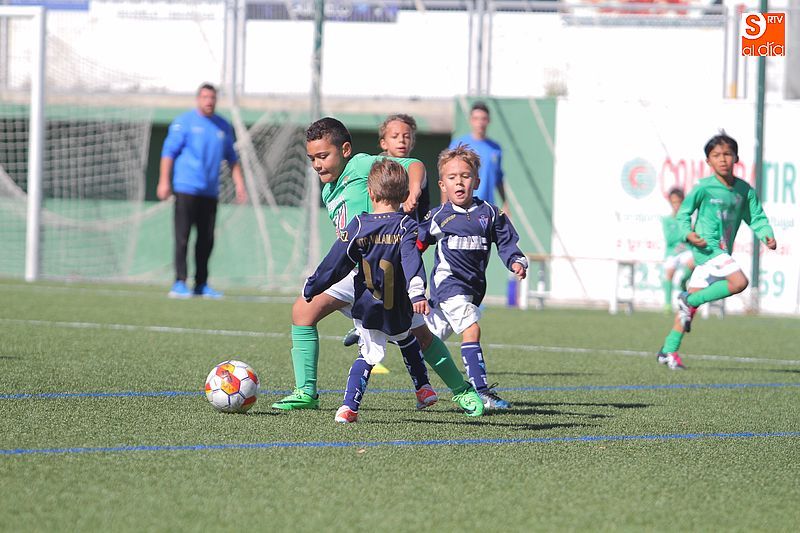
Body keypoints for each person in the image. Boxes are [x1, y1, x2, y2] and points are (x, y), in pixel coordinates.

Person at [271, 117, 484, 416]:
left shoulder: (360, 165)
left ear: (345, 150)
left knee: (422, 336)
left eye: (323, 156)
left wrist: (413, 190)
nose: (317, 164)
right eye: (312, 158)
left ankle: (462, 391)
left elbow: (414, 165)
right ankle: (306, 391)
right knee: (302, 312)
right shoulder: (328, 190)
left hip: (384, 273)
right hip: (354, 271)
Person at [418, 145, 528, 409]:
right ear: (442, 185)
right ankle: (481, 391)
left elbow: (506, 242)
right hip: (448, 288)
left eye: (465, 176)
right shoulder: (438, 216)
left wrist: (515, 260)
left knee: (419, 339)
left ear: (476, 182)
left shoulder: (490, 213)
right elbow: (415, 246)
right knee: (472, 329)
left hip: (473, 291)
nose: (459, 182)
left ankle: (377, 332)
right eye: (452, 177)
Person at [657, 132, 776, 370]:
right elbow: (683, 213)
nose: (722, 159)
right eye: (716, 155)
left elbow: (756, 217)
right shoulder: (703, 187)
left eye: (727, 154)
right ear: (708, 161)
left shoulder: (744, 190)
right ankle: (688, 299)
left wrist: (766, 233)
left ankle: (668, 350)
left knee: (689, 310)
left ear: (736, 158)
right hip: (707, 248)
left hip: (720, 253)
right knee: (739, 282)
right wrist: (687, 233)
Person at [340, 113, 430, 371]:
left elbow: (423, 214)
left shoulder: (415, 172)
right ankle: (365, 332)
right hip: (374, 254)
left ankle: (441, 385)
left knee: (416, 331)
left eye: (406, 136)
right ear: (383, 142)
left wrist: (420, 242)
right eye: (395, 136)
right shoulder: (374, 170)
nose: (401, 140)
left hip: (401, 255)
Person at [157, 82, 247, 299]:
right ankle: (179, 283)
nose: (209, 101)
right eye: (205, 97)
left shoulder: (222, 126)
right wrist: (163, 181)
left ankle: (201, 283)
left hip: (210, 192)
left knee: (206, 240)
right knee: (182, 237)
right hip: (186, 188)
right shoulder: (184, 122)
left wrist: (239, 184)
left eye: (212, 97)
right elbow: (168, 153)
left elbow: (232, 158)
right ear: (198, 99)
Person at [448, 101, 508, 211]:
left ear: (488, 121)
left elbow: (499, 178)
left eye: (483, 119)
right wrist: (445, 205)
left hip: (486, 208)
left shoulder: (495, 148)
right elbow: (447, 175)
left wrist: (505, 203)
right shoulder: (458, 145)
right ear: (471, 120)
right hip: (462, 206)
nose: (480, 123)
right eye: (476, 118)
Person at [661, 187, 695, 313]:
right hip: (672, 252)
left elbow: (692, 235)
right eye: (673, 202)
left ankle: (683, 281)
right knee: (669, 271)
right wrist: (684, 234)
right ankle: (667, 304)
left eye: (679, 202)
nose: (676, 205)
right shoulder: (666, 220)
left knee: (693, 262)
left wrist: (687, 235)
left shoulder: (687, 218)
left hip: (686, 250)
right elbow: (669, 239)